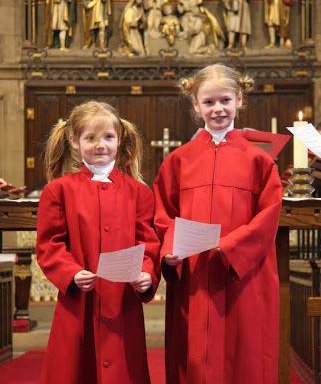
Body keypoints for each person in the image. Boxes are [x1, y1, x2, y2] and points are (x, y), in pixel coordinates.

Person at [153, 63, 283, 383]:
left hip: (243, 275)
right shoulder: (178, 160)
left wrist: (230, 247)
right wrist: (169, 249)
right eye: (208, 102)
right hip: (195, 275)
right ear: (196, 105)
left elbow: (268, 215)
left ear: (239, 99)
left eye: (224, 100)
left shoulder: (259, 160)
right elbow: (162, 214)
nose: (218, 109)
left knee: (245, 355)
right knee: (195, 355)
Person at [36, 101, 160, 384]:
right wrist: (70, 273)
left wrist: (146, 274)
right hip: (79, 302)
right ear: (74, 140)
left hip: (122, 302)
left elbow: (148, 243)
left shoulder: (139, 193)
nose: (100, 145)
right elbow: (50, 244)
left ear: (120, 139)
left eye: (107, 137)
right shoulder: (59, 190)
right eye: (90, 138)